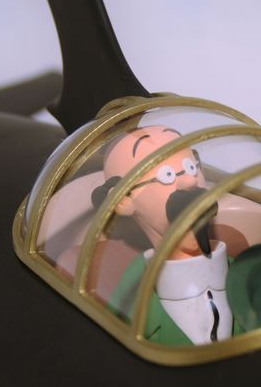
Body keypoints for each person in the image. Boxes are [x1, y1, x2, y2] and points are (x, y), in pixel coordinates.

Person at [91, 125, 235, 346]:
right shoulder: (131, 301)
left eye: (190, 167)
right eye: (166, 175)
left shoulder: (247, 272)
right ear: (122, 200)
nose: (190, 182)